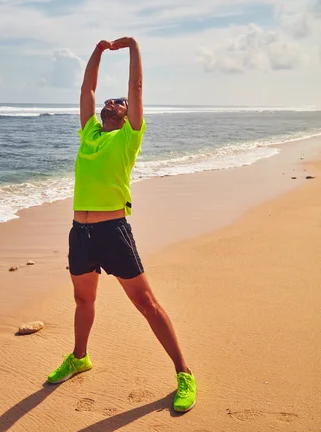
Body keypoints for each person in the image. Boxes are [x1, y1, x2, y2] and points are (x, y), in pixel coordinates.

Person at [47, 37, 196, 413]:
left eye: (120, 102)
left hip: (113, 231)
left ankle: (184, 373)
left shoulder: (129, 137)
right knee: (83, 300)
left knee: (146, 303)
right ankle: (80, 357)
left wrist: (131, 46)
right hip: (80, 234)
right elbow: (87, 89)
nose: (112, 102)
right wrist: (98, 52)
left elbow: (137, 87)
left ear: (129, 116)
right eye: (109, 101)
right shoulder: (89, 135)